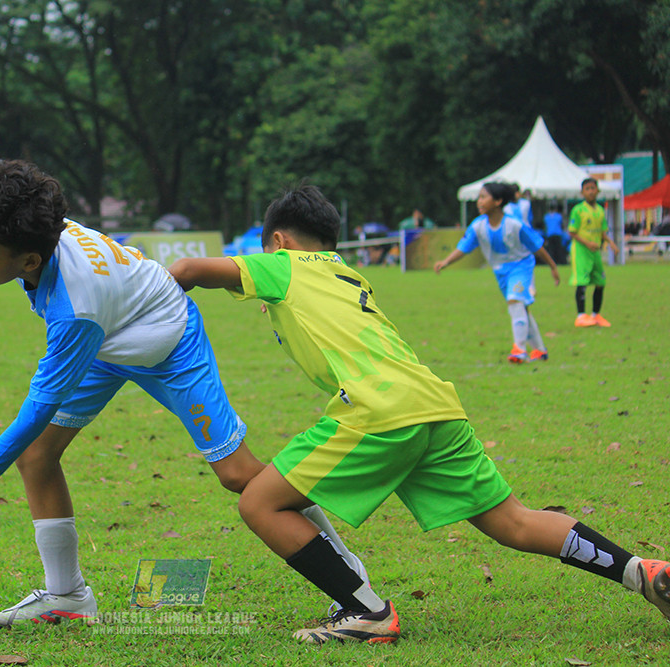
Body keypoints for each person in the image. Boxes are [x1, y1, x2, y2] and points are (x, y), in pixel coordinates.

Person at [168, 183, 670, 645]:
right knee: (513, 522)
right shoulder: (348, 273)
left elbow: (189, 272)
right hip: (435, 404)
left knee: (258, 502)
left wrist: (140, 297)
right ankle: (642, 572)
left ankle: (366, 611)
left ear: (278, 240)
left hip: (377, 411)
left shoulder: (284, 264)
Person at [0, 159, 368, 627]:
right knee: (37, 456)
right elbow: (8, 201)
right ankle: (66, 596)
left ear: (29, 261)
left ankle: (349, 572)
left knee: (237, 474)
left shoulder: (75, 309)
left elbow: (38, 407)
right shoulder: (36, 221)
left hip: (167, 339)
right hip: (106, 343)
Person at [433, 182, 560, 364]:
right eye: (479, 197)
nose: (479, 201)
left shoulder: (514, 225)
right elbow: (464, 247)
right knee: (521, 308)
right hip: (501, 273)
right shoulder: (478, 226)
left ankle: (519, 350)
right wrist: (446, 262)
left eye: (484, 197)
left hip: (520, 267)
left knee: (515, 302)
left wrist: (553, 267)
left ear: (498, 201)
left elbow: (537, 246)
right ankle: (540, 350)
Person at [568, 178, 619, 327]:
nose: (590, 191)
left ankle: (596, 315)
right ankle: (581, 316)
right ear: (582, 192)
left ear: (598, 191)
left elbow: (602, 232)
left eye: (593, 188)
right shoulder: (578, 210)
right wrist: (587, 243)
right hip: (581, 251)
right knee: (582, 282)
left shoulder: (600, 210)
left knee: (600, 282)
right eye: (587, 189)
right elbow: (572, 232)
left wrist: (611, 243)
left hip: (595, 251)